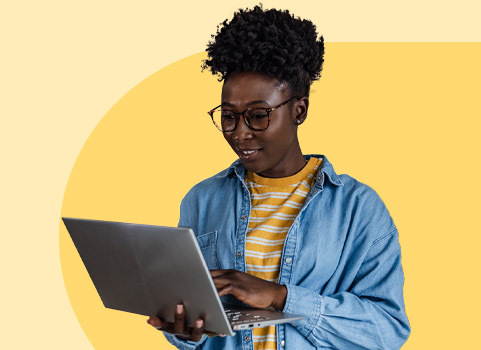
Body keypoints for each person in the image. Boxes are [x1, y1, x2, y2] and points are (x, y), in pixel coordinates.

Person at [147, 5, 410, 350]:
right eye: (228, 116)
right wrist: (183, 331)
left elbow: (386, 330)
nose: (239, 133)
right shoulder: (202, 200)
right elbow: (190, 317)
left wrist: (279, 296)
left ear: (299, 110)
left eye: (258, 115)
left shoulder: (358, 208)